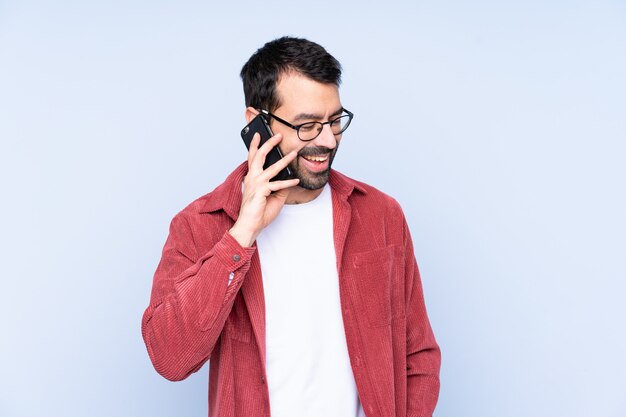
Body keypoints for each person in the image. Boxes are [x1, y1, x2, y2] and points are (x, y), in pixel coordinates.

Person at [141, 36, 440, 417]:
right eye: (308, 126)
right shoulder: (200, 224)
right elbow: (169, 357)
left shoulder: (381, 216)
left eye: (335, 120)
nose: (329, 140)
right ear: (257, 124)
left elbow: (419, 355)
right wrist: (242, 233)